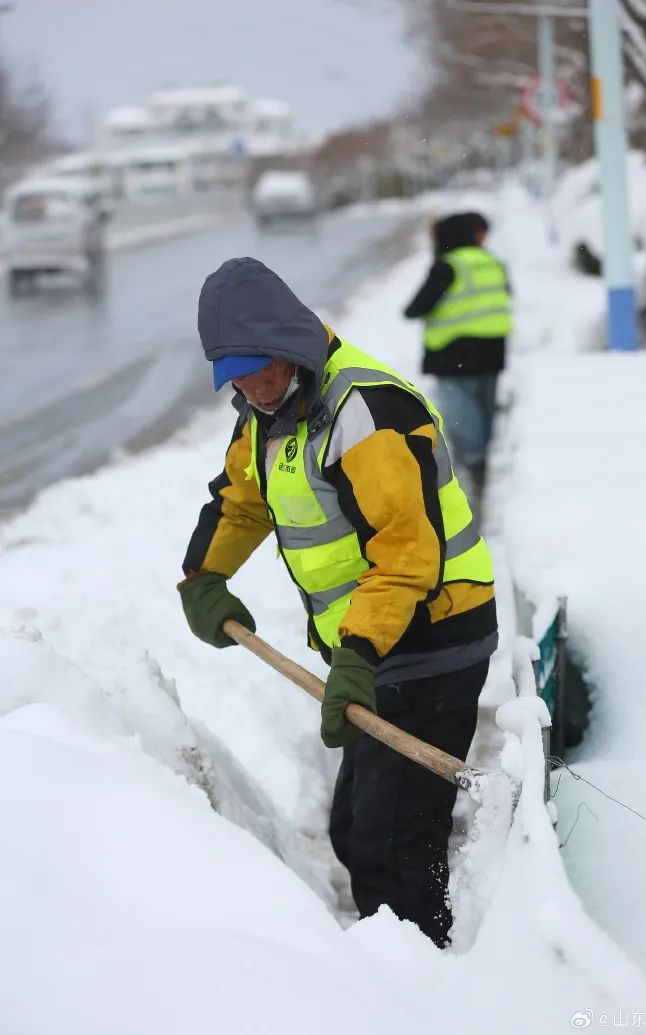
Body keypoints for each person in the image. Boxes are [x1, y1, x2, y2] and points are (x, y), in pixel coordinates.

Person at [178, 256, 498, 948]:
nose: (249, 387)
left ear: (288, 347)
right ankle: (404, 956)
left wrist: (357, 652)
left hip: (432, 635)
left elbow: (408, 552)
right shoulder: (266, 413)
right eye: (233, 375)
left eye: (257, 369)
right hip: (377, 643)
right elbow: (240, 501)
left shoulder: (367, 413)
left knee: (393, 842)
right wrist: (202, 577)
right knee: (356, 828)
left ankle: (424, 969)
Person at [403, 211, 512, 482]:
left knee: (461, 411)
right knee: (484, 406)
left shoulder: (448, 265)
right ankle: (485, 460)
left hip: (453, 354)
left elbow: (416, 308)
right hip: (493, 348)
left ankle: (474, 464)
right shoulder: (492, 262)